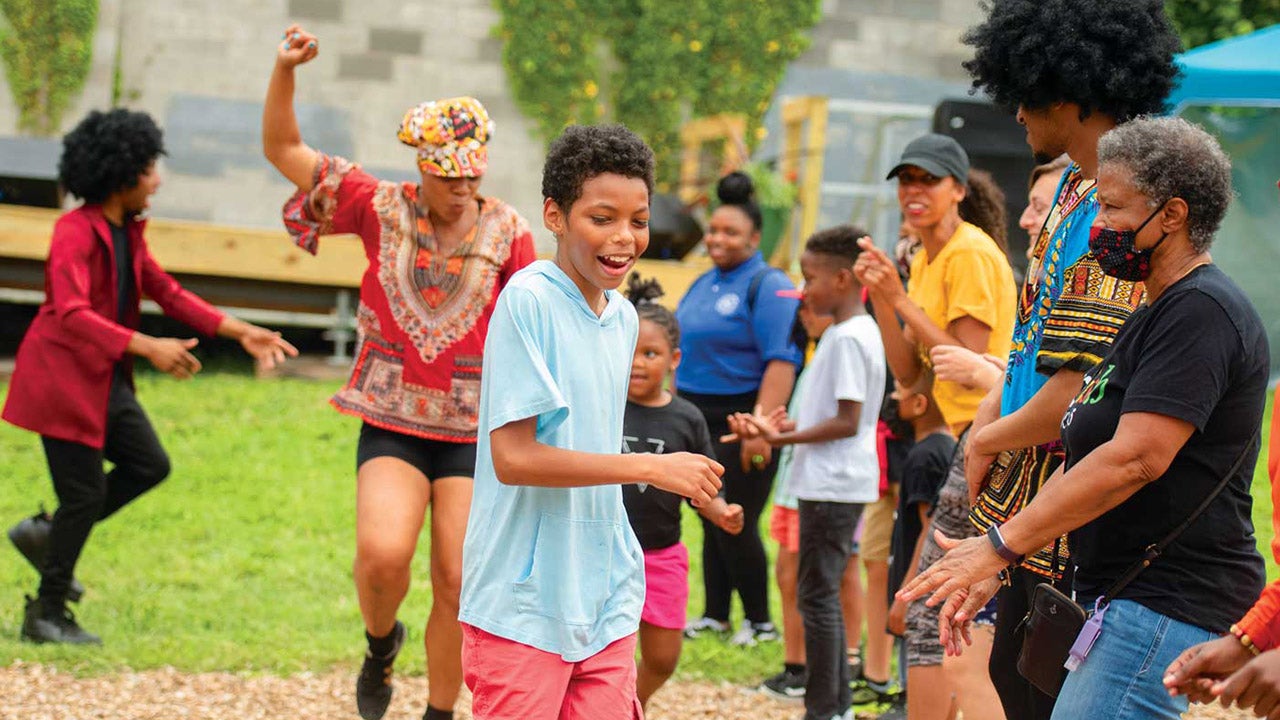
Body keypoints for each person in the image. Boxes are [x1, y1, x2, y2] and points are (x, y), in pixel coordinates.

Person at [901, 116, 1270, 720]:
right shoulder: (1152, 312)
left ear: (1173, 215)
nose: (1098, 225)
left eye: (1114, 208)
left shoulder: (1200, 312)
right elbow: (1084, 451)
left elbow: (1133, 459)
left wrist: (998, 546)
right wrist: (1005, 557)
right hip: (1121, 599)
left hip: (1160, 605)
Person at [261, 26, 537, 720]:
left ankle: (440, 711)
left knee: (458, 577)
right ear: (422, 166)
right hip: (393, 418)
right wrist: (286, 70)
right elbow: (284, 150)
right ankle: (382, 644)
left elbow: (534, 329)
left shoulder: (509, 231)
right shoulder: (379, 206)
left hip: (475, 431)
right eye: (449, 175)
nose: (463, 187)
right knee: (383, 558)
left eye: (473, 174)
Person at [953, 3, 1181, 718]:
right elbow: (1032, 340)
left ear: (1068, 90)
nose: (1017, 111)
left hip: (1067, 515)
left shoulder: (1118, 205)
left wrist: (985, 440)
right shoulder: (1077, 189)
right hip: (1026, 500)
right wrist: (991, 415)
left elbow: (1082, 387)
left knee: (1038, 690)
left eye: (1026, 91)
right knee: (1010, 675)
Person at [2, 108, 298, 645]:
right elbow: (70, 312)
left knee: (148, 464)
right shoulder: (74, 231)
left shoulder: (128, 232)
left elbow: (168, 292)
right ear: (120, 173)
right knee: (83, 496)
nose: (157, 181)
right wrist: (149, 347)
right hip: (61, 383)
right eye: (148, 170)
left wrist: (242, 332)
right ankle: (45, 613)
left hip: (103, 380)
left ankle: (44, 537)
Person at [458, 124, 723, 720]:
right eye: (602, 218)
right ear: (554, 215)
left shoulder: (623, 317)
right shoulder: (528, 300)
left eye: (639, 220)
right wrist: (650, 467)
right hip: (522, 605)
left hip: (604, 597)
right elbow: (514, 458)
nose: (624, 237)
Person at [853, 133, 1015, 719]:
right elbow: (911, 373)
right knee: (939, 605)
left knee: (929, 605)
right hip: (957, 440)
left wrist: (900, 299)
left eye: (928, 180)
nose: (914, 190)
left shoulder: (969, 253)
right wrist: (883, 298)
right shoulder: (924, 257)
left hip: (990, 441)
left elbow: (966, 363)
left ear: (958, 190)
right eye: (906, 180)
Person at [735, 224, 885, 720]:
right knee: (820, 594)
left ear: (842, 279)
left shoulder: (848, 338)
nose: (804, 289)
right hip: (832, 481)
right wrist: (782, 427)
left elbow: (846, 421)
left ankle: (824, 709)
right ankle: (834, 705)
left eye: (810, 278)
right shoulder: (848, 333)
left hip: (832, 484)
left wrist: (779, 440)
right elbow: (836, 415)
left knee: (816, 597)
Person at [676, 171, 801, 645]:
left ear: (754, 237)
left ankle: (760, 622)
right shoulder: (702, 282)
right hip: (695, 417)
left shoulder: (769, 285)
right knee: (708, 513)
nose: (717, 239)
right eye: (713, 230)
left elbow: (781, 361)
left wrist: (759, 428)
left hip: (741, 419)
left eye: (731, 232)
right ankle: (716, 614)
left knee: (736, 515)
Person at [620, 274, 745, 709]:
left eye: (650, 354)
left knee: (662, 658)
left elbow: (703, 486)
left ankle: (623, 708)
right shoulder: (603, 405)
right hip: (603, 554)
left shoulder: (687, 418)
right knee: (600, 655)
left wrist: (721, 511)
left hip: (661, 556)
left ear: (674, 359)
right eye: (629, 351)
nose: (637, 364)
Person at [884, 372, 956, 719]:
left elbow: (930, 529)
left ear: (919, 404)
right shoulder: (949, 447)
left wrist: (906, 594)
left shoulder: (923, 456)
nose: (892, 399)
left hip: (921, 589)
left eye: (899, 391)